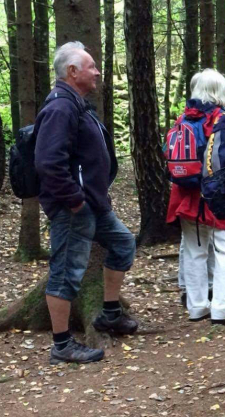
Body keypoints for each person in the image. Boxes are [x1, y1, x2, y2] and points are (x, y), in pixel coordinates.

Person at [34, 41, 138, 364]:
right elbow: (49, 162)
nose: (97, 72)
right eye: (91, 66)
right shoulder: (60, 108)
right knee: (65, 273)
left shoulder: (76, 104)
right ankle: (62, 345)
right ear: (72, 71)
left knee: (123, 244)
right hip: (73, 210)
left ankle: (109, 314)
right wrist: (75, 201)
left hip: (93, 206)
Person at [167, 69, 225, 325]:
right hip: (219, 197)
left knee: (194, 251)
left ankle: (197, 306)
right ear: (220, 91)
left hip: (186, 195)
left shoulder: (182, 120)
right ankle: (223, 307)